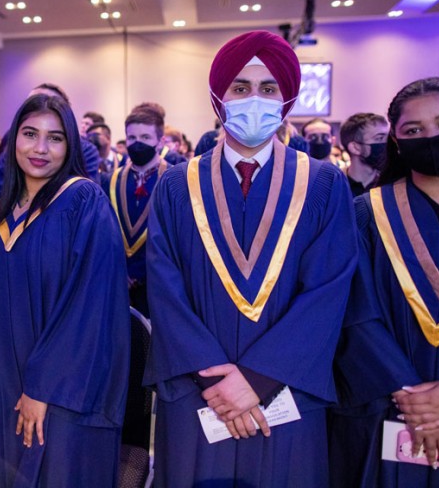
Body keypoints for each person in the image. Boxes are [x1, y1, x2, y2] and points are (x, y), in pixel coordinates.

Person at [144, 30, 357, 487]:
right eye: (240, 88)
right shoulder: (177, 186)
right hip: (198, 391)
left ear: (288, 99)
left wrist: (256, 380)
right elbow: (164, 288)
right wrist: (217, 383)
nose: (253, 99)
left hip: (285, 393)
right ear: (218, 98)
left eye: (268, 89)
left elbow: (327, 291)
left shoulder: (322, 185)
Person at [0, 93, 129, 487]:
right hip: (5, 384)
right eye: (30, 134)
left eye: (56, 137)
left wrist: (43, 388)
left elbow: (90, 307)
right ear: (13, 139)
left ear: (71, 146)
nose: (40, 149)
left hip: (66, 393)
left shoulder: (84, 202)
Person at [331, 77, 439, 487]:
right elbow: (353, 313)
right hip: (386, 407)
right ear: (396, 142)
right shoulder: (364, 214)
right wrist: (415, 398)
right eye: (414, 130)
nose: (431, 137)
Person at [105, 105, 168, 319]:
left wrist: (141, 271)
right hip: (117, 279)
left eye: (145, 137)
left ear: (160, 141)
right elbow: (106, 231)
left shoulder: (175, 179)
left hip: (157, 282)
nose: (137, 143)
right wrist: (121, 269)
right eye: (131, 137)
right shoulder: (111, 180)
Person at [29, 84, 100, 181]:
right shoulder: (15, 143)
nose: (40, 149)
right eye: (29, 134)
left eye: (55, 139)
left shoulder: (85, 150)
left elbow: (87, 192)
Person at [339, 112, 388, 197]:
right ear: (355, 148)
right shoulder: (335, 186)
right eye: (379, 138)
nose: (387, 143)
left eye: (388, 138)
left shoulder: (390, 185)